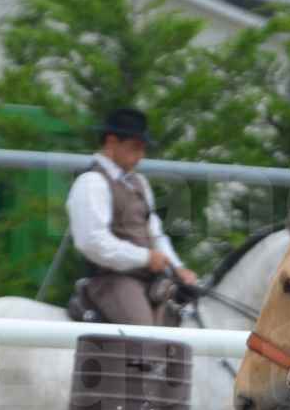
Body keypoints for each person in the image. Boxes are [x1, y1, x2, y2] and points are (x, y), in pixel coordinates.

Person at [66, 107, 196, 326]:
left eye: (143, 148)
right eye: (134, 147)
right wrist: (145, 258)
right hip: (112, 280)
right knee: (144, 334)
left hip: (148, 277)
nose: (140, 156)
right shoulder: (91, 183)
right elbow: (92, 242)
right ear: (111, 142)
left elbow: (155, 234)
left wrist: (177, 267)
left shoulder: (139, 183)